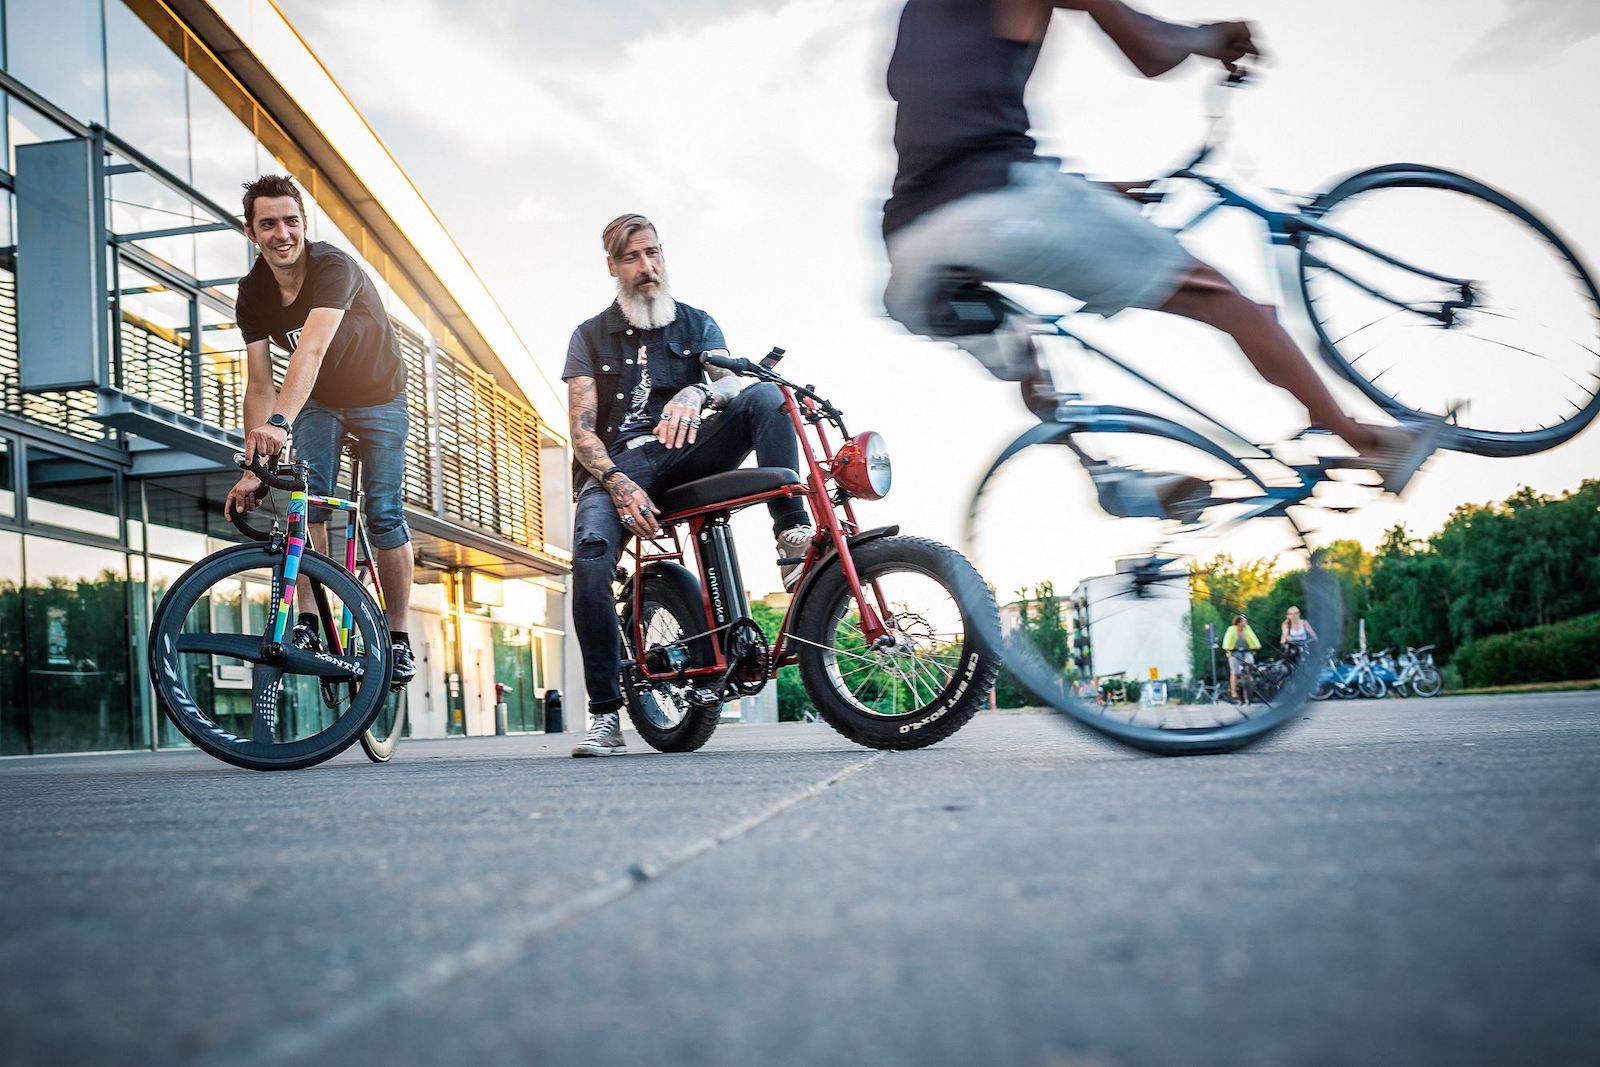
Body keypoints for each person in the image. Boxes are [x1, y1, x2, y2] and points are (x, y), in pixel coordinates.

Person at [880, 0, 1441, 497]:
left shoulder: (916, 11)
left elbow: (950, 127)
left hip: (910, 249)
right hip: (1000, 200)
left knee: (1029, 349)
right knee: (1222, 298)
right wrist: (1209, 36)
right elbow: (1149, 50)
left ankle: (1108, 480)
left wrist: (1094, 194)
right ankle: (1365, 441)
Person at [562, 213, 814, 757]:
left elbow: (736, 384)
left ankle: (792, 539)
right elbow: (581, 432)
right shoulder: (588, 336)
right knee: (588, 563)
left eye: (653, 253)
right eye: (631, 257)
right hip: (617, 470)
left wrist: (698, 394)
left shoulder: (697, 324)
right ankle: (605, 716)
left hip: (687, 453)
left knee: (768, 397)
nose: (646, 267)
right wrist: (618, 484)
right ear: (612, 266)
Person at [223, 174, 415, 687]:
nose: (281, 233)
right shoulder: (253, 293)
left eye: (290, 221)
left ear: (304, 224)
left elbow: (310, 351)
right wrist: (254, 469)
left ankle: (397, 639)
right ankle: (308, 621)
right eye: (268, 224)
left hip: (379, 395)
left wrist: (280, 423)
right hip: (320, 401)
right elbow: (260, 385)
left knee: (385, 512)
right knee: (303, 502)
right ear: (251, 232)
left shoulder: (333, 267)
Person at [1222, 613, 1261, 701]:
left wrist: (1257, 646)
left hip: (1246, 651)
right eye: (1244, 621)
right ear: (1238, 622)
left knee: (1250, 662)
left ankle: (1249, 678)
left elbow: (1253, 638)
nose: (1246, 622)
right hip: (1234, 652)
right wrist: (1227, 648)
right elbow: (1227, 640)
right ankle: (1234, 692)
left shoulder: (1247, 629)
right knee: (1234, 672)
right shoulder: (1231, 629)